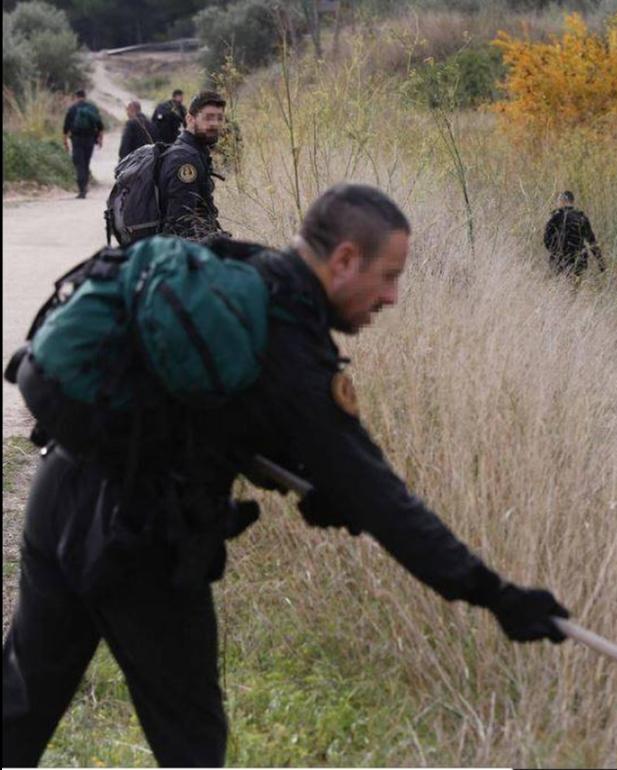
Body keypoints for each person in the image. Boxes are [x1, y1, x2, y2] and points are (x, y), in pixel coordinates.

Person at [1, 183, 571, 767]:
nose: (393, 297)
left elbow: (209, 417)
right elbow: (382, 499)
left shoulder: (241, 270)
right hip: (136, 538)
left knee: (21, 702)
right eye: (389, 276)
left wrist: (313, 484)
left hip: (60, 490)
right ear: (345, 260)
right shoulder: (291, 344)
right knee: (190, 741)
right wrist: (491, 593)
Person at [159, 90, 227, 240]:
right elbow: (181, 223)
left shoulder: (196, 152)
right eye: (208, 118)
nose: (215, 123)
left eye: (219, 118)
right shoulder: (185, 160)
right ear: (190, 119)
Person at [542, 191, 604, 277]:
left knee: (559, 287)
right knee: (574, 286)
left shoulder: (555, 218)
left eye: (558, 201)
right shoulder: (581, 217)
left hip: (559, 261)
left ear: (562, 201)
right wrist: (601, 263)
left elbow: (546, 240)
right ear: (572, 201)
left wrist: (555, 252)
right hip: (578, 261)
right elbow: (592, 242)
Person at [61, 89, 104, 199]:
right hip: (90, 139)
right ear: (85, 96)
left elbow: (66, 127)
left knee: (79, 164)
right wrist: (100, 139)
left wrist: (65, 141)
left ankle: (82, 190)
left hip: (77, 140)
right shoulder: (92, 108)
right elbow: (99, 125)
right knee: (86, 163)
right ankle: (84, 186)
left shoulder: (72, 109)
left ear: (76, 97)